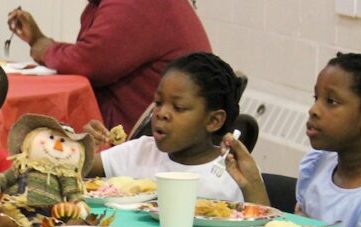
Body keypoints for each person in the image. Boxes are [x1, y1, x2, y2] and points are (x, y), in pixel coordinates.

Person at [7, 0, 211, 132]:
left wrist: (45, 48)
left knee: (32, 136)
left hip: (153, 137)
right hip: (160, 128)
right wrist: (40, 42)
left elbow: (90, 62)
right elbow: (96, 53)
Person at [225, 52, 361, 227]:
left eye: (331, 101)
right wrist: (252, 183)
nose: (313, 109)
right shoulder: (317, 164)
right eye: (316, 98)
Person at [85, 51, 247, 202]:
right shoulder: (140, 152)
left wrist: (252, 183)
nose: (161, 113)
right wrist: (81, 145)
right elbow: (75, 168)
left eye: (179, 107)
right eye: (158, 102)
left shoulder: (233, 174)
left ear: (213, 121)